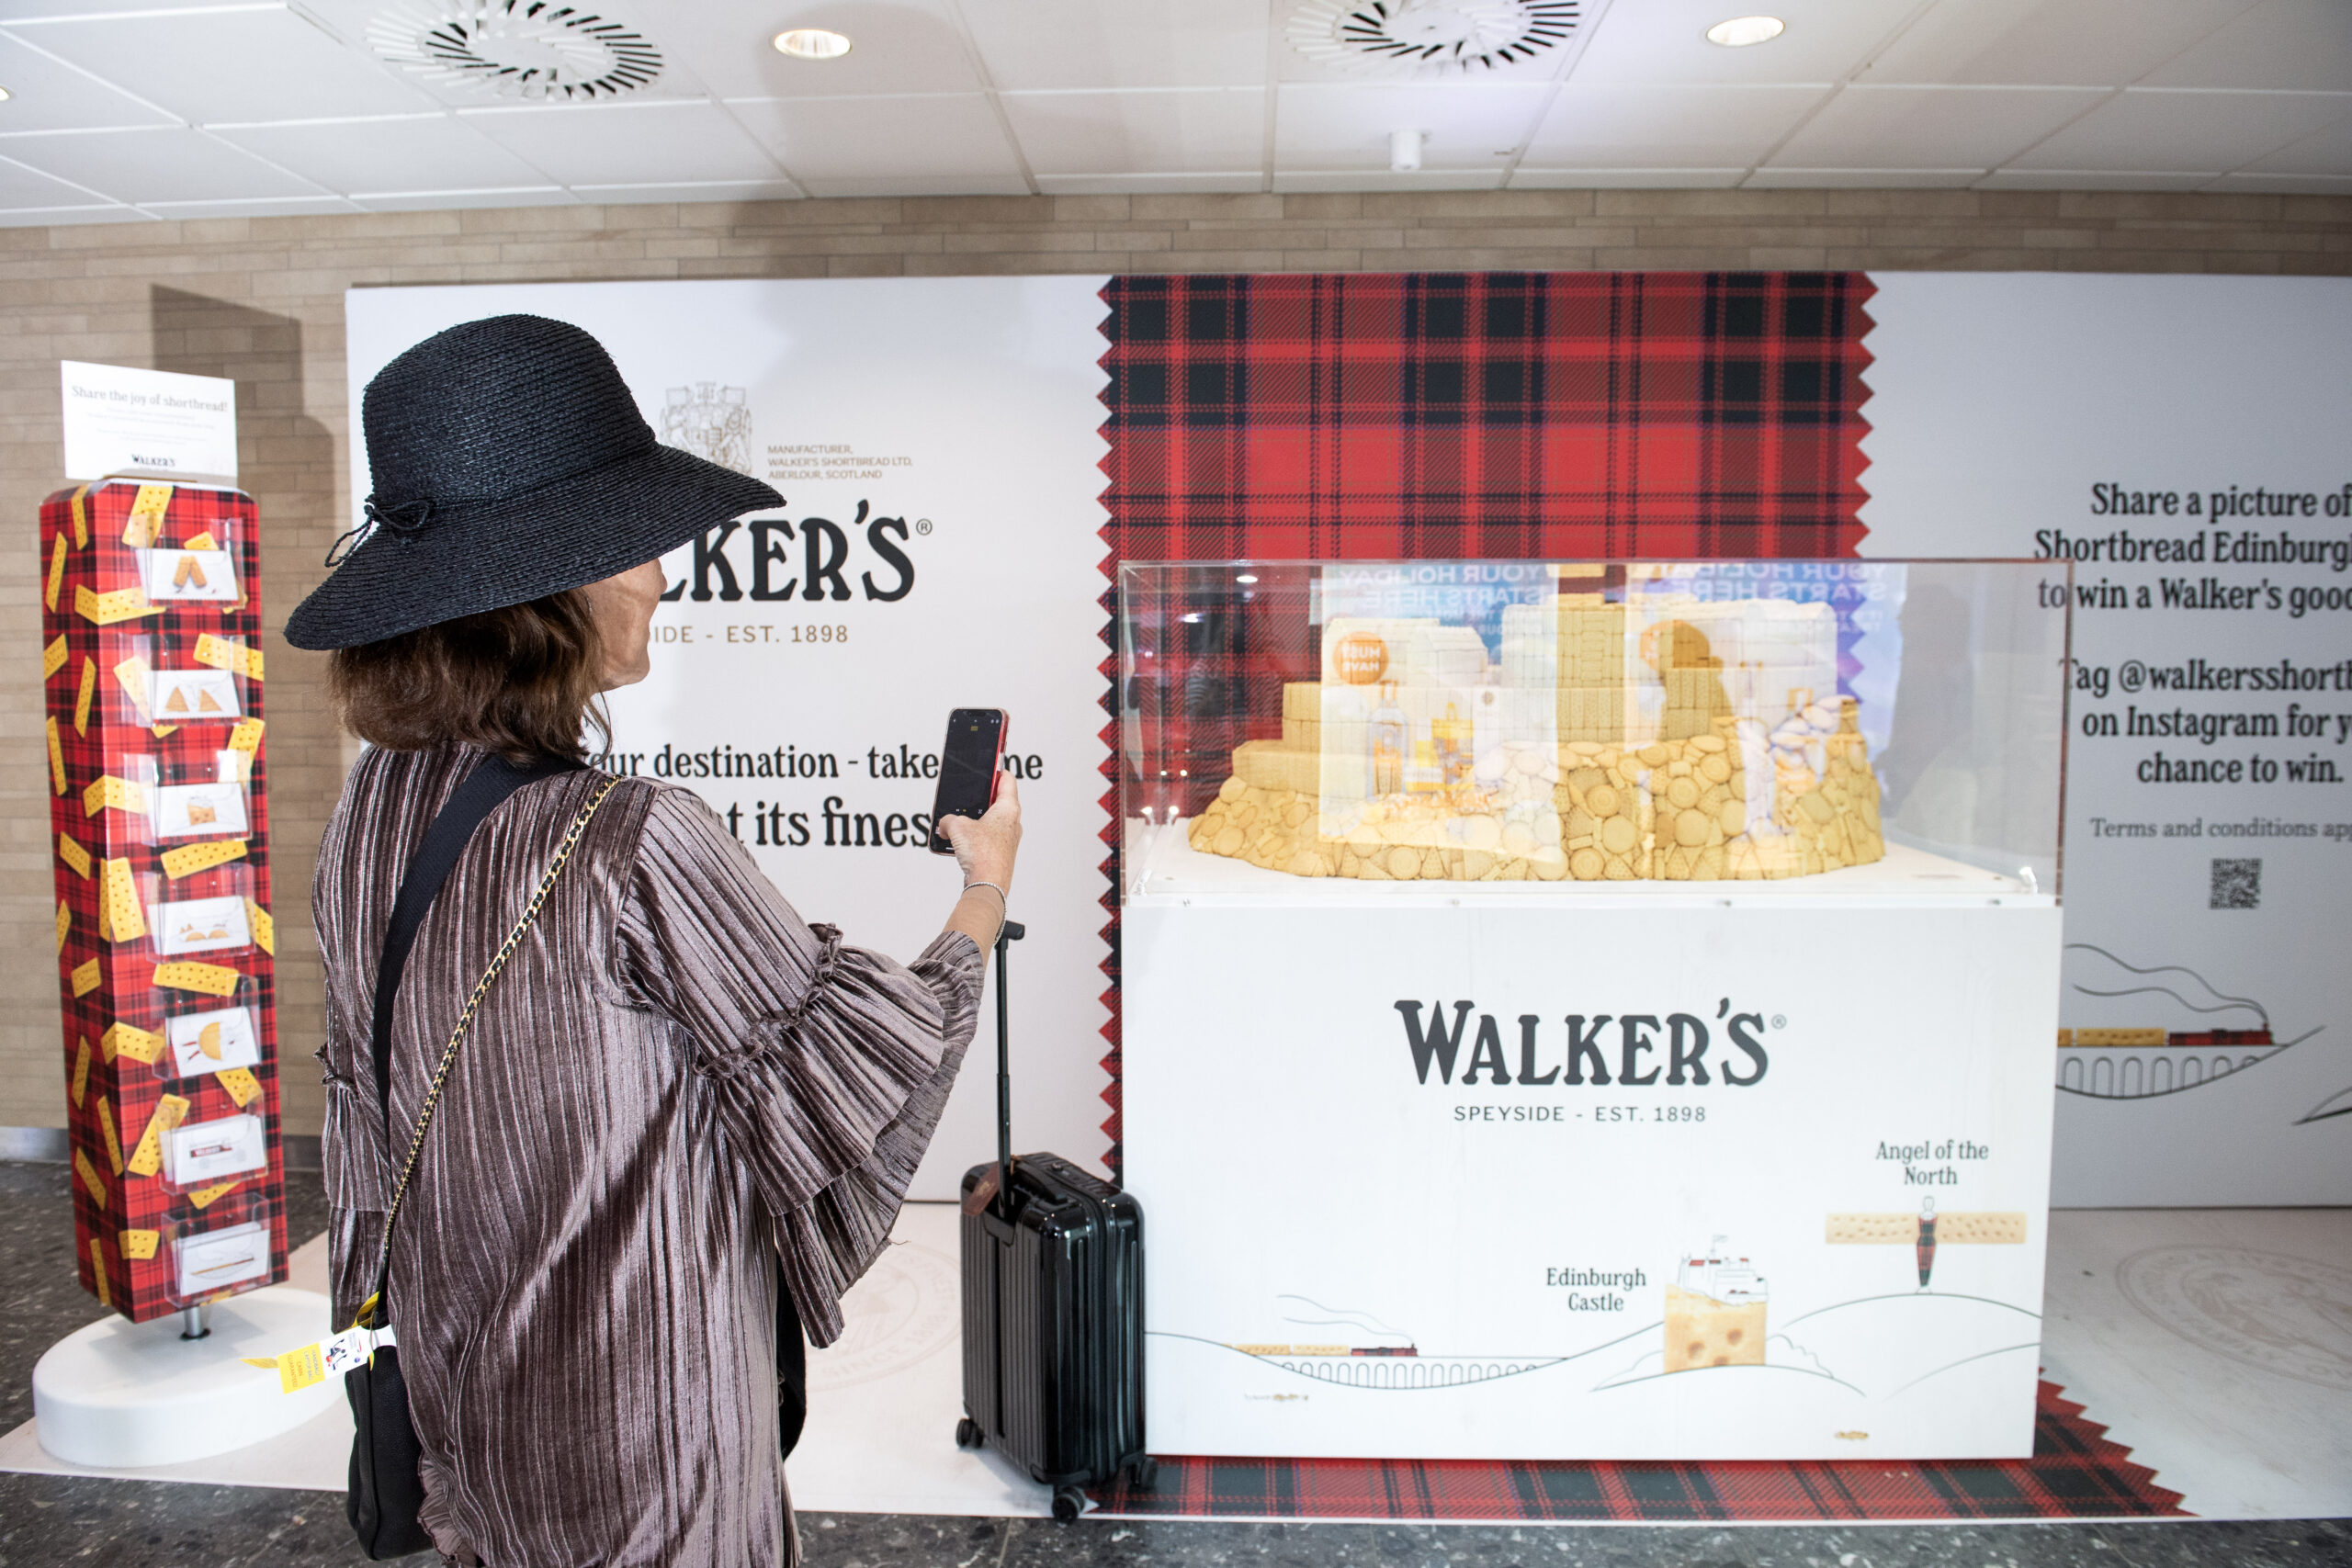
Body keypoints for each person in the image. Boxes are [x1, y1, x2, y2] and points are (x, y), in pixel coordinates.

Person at [284, 314, 1020, 1566]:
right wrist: (981, 898)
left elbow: (364, 1104)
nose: (661, 578)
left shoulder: (370, 809)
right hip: (642, 1430)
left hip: (461, 1393)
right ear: (552, 588)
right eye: (632, 546)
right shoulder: (633, 842)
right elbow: (855, 1074)